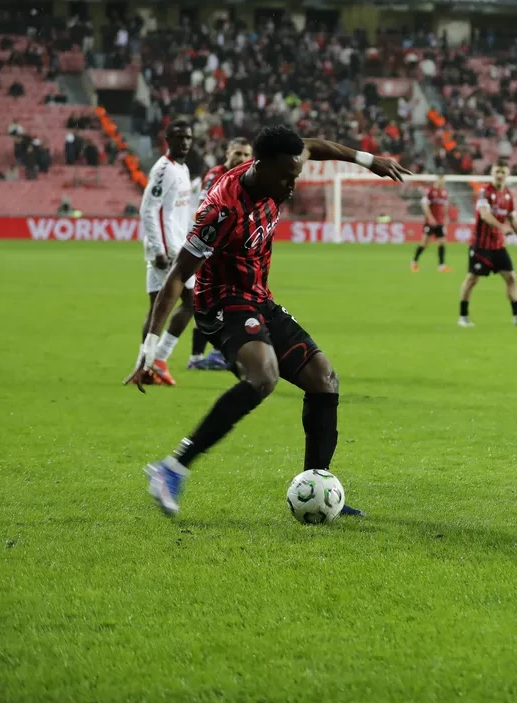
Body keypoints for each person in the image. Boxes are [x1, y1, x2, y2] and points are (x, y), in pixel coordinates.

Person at [127, 125, 410, 517]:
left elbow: (313, 145)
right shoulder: (221, 209)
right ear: (260, 166)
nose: (292, 187)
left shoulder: (284, 164)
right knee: (263, 377)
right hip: (221, 302)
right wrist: (149, 348)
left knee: (324, 378)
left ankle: (318, 485)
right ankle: (172, 468)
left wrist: (368, 160)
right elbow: (177, 275)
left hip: (258, 298)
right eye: (286, 178)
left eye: (296, 176)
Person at [139, 119, 200, 386]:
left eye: (188, 137)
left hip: (174, 245)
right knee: (192, 302)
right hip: (168, 250)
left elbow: (178, 212)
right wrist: (161, 249)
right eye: (178, 137)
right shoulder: (163, 170)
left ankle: (146, 366)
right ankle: (159, 359)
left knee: (157, 308)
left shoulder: (182, 169)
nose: (184, 142)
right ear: (168, 140)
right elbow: (148, 209)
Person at [189, 137, 254, 370]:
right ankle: (201, 356)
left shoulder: (245, 177)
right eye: (238, 153)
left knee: (221, 303)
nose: (241, 158)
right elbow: (203, 210)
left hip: (230, 251)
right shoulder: (216, 175)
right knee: (214, 302)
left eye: (246, 155)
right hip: (212, 249)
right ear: (228, 153)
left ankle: (208, 355)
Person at [458, 161, 517, 327]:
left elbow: (513, 220)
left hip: (498, 246)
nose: (500, 175)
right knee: (472, 279)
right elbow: (484, 215)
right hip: (481, 246)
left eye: (503, 172)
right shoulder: (484, 192)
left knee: (511, 277)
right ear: (492, 173)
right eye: (497, 172)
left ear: (507, 174)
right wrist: (502, 227)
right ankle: (463, 316)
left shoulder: (508, 195)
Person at [411, 174, 451, 273]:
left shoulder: (444, 192)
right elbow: (424, 205)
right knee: (424, 243)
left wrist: (446, 216)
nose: (443, 183)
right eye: (441, 181)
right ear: (438, 181)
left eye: (444, 182)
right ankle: (414, 262)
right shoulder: (430, 191)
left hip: (440, 222)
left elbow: (445, 205)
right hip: (430, 223)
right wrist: (430, 218)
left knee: (442, 243)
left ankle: (441, 266)